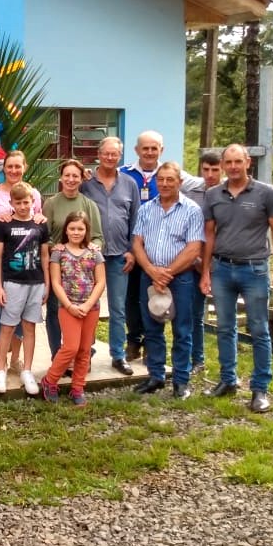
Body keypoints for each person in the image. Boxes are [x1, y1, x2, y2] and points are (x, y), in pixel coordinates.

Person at [200, 144, 273, 413]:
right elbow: (209, 234)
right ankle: (228, 380)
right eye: (229, 162)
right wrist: (206, 271)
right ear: (223, 165)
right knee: (225, 327)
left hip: (255, 270)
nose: (233, 167)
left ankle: (260, 388)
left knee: (259, 329)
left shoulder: (266, 193)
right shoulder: (213, 195)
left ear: (248, 162)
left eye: (238, 161)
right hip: (222, 269)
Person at [131, 162, 204, 400]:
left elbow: (194, 248)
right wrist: (152, 271)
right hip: (149, 277)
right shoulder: (146, 209)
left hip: (180, 278)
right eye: (160, 179)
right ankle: (156, 376)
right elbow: (137, 243)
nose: (164, 184)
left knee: (182, 330)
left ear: (179, 182)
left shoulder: (192, 210)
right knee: (152, 328)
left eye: (170, 179)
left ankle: (181, 381)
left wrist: (166, 273)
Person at [80, 136, 140, 375]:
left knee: (118, 309)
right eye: (106, 153)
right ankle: (86, 352)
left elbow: (136, 220)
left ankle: (118, 355)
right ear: (98, 154)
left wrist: (132, 250)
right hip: (90, 256)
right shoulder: (86, 183)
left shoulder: (129, 184)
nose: (110, 157)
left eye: (114, 154)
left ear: (120, 156)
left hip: (119, 256)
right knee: (88, 307)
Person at [0, 151, 41, 368]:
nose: (14, 170)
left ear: (25, 167)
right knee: (0, 305)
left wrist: (39, 217)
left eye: (18, 166)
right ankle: (1, 358)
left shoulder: (33, 193)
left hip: (25, 260)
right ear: (3, 168)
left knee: (22, 309)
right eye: (10, 166)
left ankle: (15, 357)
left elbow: (37, 220)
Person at [40, 211, 106, 406]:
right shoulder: (58, 253)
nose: (76, 232)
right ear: (66, 230)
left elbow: (101, 282)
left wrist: (87, 305)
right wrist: (69, 305)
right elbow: (56, 282)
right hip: (67, 307)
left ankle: (78, 387)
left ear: (86, 230)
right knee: (70, 347)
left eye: (80, 229)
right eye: (72, 228)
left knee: (84, 349)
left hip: (90, 308)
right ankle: (50, 380)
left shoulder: (94, 253)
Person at [0, 182, 50, 396]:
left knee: (29, 327)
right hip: (12, 282)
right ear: (11, 203)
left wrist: (47, 283)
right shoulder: (4, 225)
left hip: (35, 282)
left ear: (33, 202)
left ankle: (27, 370)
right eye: (18, 203)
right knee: (7, 326)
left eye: (26, 202)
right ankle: (0, 369)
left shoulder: (41, 224)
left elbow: (45, 255)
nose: (23, 206)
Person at [42, 159, 103, 358]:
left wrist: (94, 248)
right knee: (55, 310)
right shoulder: (51, 204)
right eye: (67, 175)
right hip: (58, 265)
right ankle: (57, 354)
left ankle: (83, 353)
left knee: (85, 311)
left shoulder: (89, 205)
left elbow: (98, 237)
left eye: (75, 176)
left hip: (84, 269)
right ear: (61, 178)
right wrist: (54, 247)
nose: (71, 179)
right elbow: (44, 236)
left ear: (81, 179)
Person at [120, 130, 165, 362]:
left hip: (157, 250)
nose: (149, 152)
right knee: (130, 298)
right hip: (130, 248)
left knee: (154, 296)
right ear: (136, 150)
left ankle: (151, 342)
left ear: (161, 150)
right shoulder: (123, 174)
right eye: (145, 148)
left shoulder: (169, 175)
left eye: (153, 148)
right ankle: (133, 340)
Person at [180, 150, 223, 374]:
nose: (210, 174)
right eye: (206, 169)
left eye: (215, 170)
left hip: (221, 261)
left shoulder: (229, 192)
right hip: (194, 261)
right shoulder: (191, 189)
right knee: (193, 313)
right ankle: (196, 359)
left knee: (226, 317)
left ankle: (228, 367)